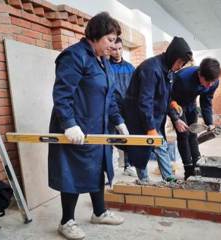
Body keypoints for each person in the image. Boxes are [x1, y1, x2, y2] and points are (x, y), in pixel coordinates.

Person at [48, 12, 128, 240]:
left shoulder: (103, 61)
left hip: (98, 127)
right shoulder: (74, 56)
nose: (113, 47)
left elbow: (110, 96)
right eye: (110, 40)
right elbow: (62, 95)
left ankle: (99, 212)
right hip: (77, 128)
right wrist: (69, 124)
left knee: (97, 168)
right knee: (71, 173)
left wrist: (118, 120)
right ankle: (66, 222)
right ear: (95, 35)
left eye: (115, 41)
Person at [123, 36, 193, 182]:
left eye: (183, 64)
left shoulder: (168, 70)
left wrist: (174, 114)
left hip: (152, 117)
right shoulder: (151, 69)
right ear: (172, 56)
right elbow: (145, 102)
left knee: (161, 146)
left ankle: (169, 179)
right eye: (179, 62)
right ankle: (144, 181)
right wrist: (150, 128)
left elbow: (165, 96)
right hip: (138, 117)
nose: (180, 66)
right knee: (141, 151)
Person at [169, 58, 221, 180]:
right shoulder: (182, 78)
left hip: (191, 105)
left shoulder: (213, 82)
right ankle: (188, 170)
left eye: (212, 82)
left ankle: (197, 164)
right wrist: (175, 119)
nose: (210, 85)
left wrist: (209, 123)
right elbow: (167, 98)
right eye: (207, 82)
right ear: (199, 74)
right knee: (183, 135)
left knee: (192, 134)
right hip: (177, 105)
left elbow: (206, 101)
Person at [109, 37, 136, 177]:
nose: (117, 52)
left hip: (128, 108)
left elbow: (136, 87)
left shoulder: (130, 67)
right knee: (109, 136)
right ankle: (109, 166)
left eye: (120, 48)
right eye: (114, 49)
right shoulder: (106, 66)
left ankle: (128, 165)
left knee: (127, 136)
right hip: (111, 108)